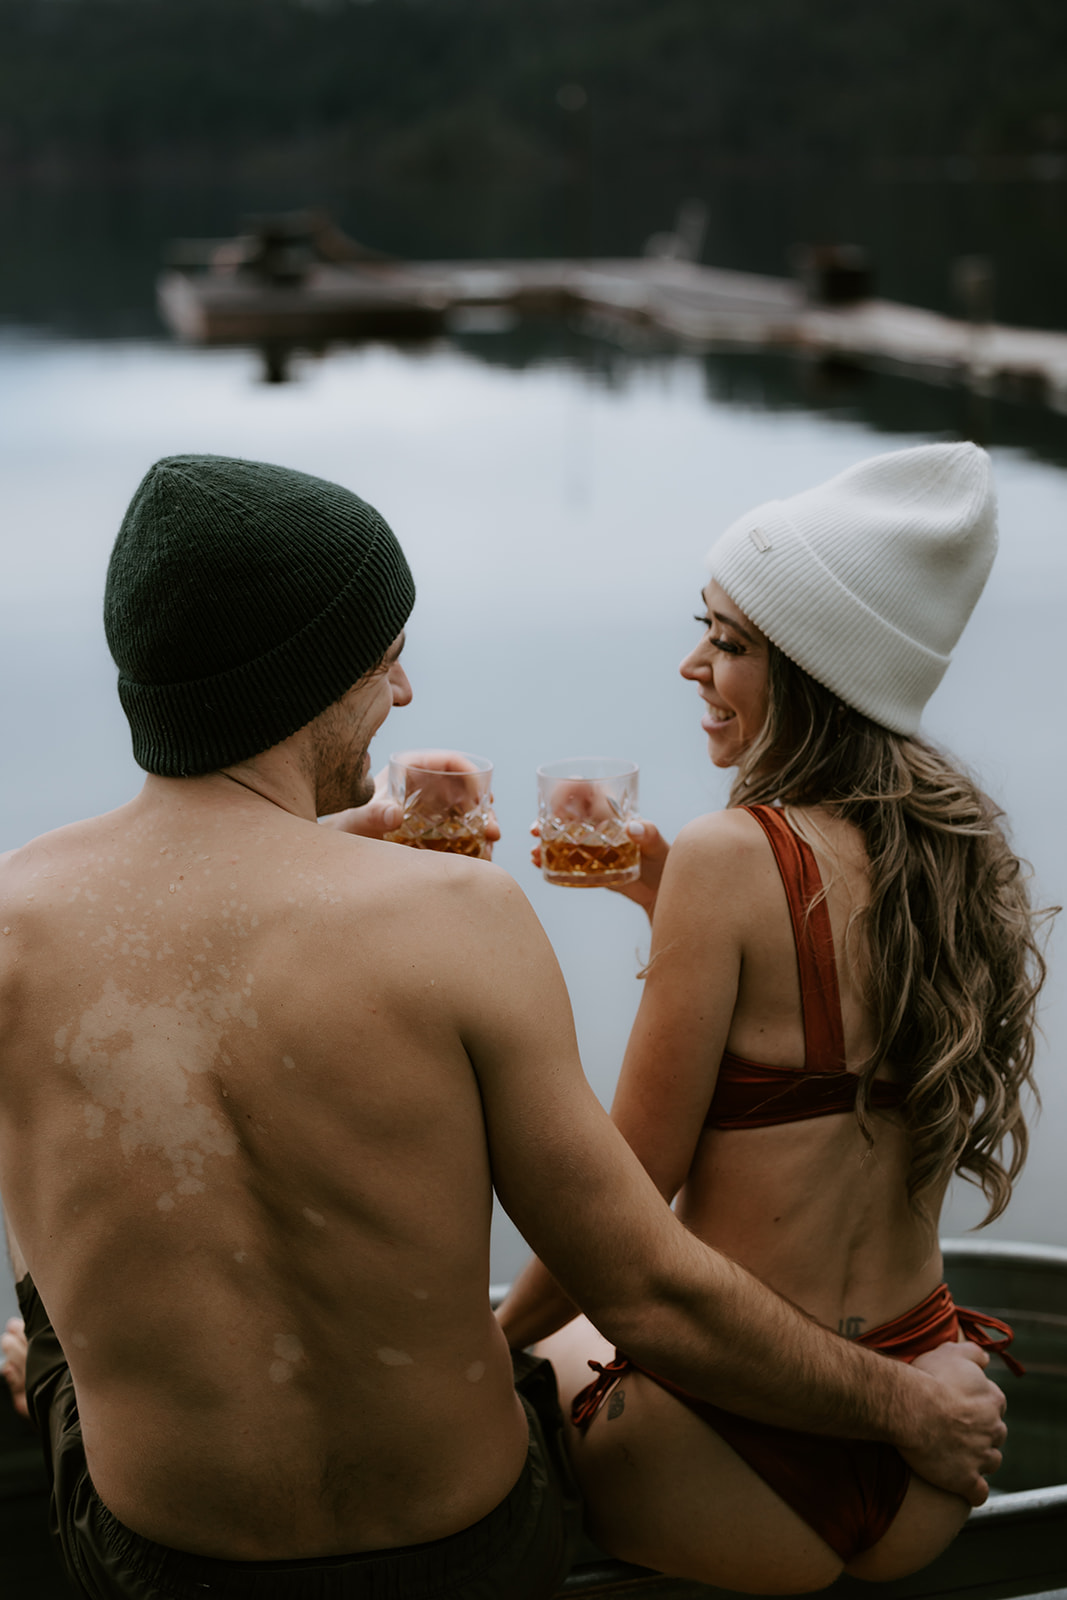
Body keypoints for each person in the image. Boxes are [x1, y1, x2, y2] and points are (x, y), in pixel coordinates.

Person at [0, 453, 1007, 1600]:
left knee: (45, 1244)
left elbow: (204, 917)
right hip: (469, 1553)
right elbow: (641, 1287)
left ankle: (55, 1358)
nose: (406, 695)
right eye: (386, 661)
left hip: (161, 1563)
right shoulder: (464, 916)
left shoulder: (13, 925)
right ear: (315, 677)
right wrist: (907, 1404)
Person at [499, 441, 1047, 1593]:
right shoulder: (950, 855)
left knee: (519, 1352)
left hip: (725, 1462)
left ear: (813, 667)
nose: (692, 663)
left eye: (729, 641)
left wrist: (478, 1343)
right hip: (923, 1448)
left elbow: (624, 1196)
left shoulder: (728, 857)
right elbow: (822, 1056)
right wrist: (660, 894)